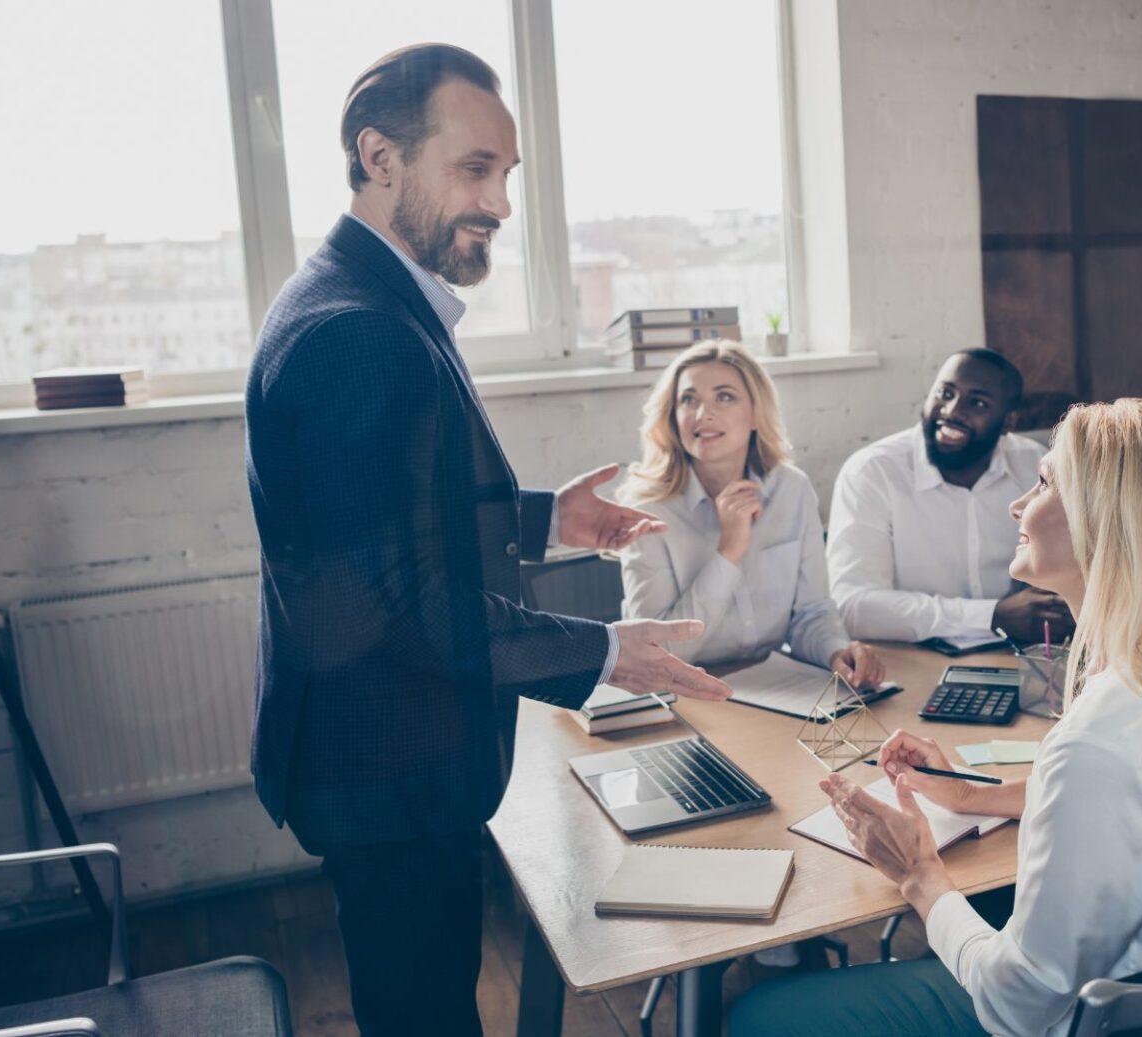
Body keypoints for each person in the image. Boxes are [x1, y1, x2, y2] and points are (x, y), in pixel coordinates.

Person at [243, 45, 730, 1037]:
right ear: (380, 157)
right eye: (474, 169)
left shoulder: (360, 298)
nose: (502, 203)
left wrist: (543, 517)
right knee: (424, 1012)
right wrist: (603, 649)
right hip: (387, 758)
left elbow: (381, 515)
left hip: (379, 751)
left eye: (505, 174)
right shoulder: (359, 335)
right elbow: (403, 604)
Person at [730, 400, 1142, 1037]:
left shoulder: (1100, 741)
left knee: (764, 1015)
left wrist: (920, 877)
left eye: (1046, 482)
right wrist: (970, 794)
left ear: (1110, 522)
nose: (1018, 504)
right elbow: (1135, 805)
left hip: (1110, 1022)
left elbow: (1020, 1004)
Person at [618, 340, 884, 689]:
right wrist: (729, 550)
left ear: (757, 414)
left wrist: (836, 652)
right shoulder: (647, 509)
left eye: (724, 396)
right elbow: (657, 651)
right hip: (682, 694)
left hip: (776, 691)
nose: (703, 414)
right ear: (673, 415)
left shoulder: (791, 489)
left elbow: (811, 612)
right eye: (689, 399)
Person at [827, 349, 1071, 645]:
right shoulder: (873, 472)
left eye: (978, 403)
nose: (952, 411)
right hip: (910, 656)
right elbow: (852, 605)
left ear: (1008, 422)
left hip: (1021, 652)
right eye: (945, 393)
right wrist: (990, 616)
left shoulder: (1033, 465)